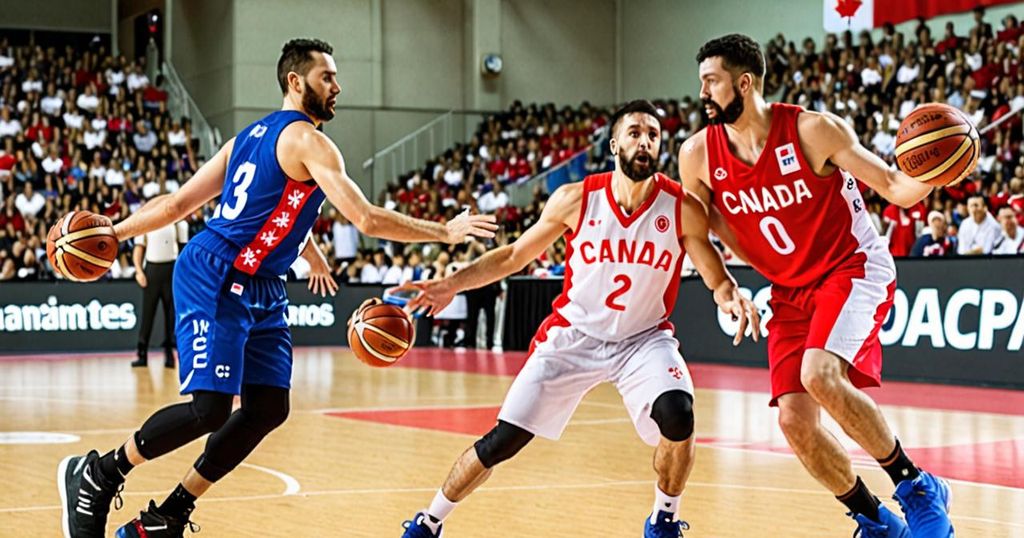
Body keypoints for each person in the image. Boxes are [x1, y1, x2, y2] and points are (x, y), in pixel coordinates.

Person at [56, 38, 497, 538]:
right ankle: (98, 472)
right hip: (217, 272)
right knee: (211, 408)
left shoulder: (248, 137)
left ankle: (168, 515)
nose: (337, 86)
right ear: (296, 81)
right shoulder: (309, 140)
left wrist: (117, 231)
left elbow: (209, 205)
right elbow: (367, 219)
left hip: (263, 282)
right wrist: (444, 231)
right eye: (326, 77)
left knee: (268, 408)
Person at [397, 100, 759, 538]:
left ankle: (664, 518)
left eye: (653, 135)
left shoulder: (681, 207)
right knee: (503, 441)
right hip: (573, 335)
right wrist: (451, 283)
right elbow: (514, 255)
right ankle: (429, 520)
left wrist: (729, 295)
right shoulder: (576, 198)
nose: (645, 141)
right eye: (634, 133)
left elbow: (714, 273)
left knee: (678, 413)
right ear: (613, 144)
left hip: (643, 340)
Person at [678, 34, 954, 537]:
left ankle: (917, 486)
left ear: (744, 83)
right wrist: (722, 288)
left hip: (851, 267)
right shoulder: (697, 155)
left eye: (711, 82)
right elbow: (694, 231)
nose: (702, 93)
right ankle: (875, 521)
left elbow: (894, 187)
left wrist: (936, 169)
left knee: (820, 375)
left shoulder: (812, 130)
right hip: (789, 290)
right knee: (794, 422)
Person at [131, 214, 188, 368]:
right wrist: (138, 271)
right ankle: (142, 354)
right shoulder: (146, 222)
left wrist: (182, 275)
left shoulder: (178, 223)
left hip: (171, 270)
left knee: (171, 316)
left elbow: (184, 251)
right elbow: (139, 248)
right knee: (147, 314)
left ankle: (169, 354)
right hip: (152, 271)